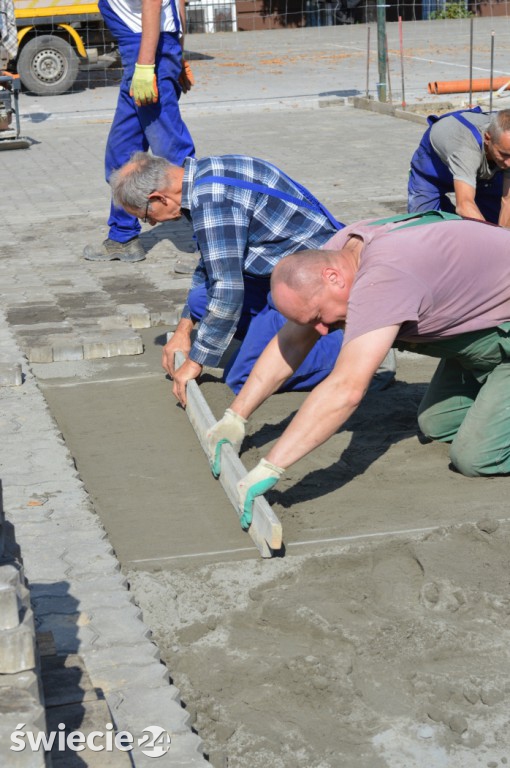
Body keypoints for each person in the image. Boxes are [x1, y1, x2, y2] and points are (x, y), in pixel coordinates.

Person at [206, 211, 510, 530]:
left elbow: (347, 389)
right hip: (484, 332)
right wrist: (235, 417)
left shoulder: (385, 276)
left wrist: (271, 468)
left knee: (475, 457)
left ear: (332, 277)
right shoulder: (342, 250)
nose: (322, 331)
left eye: (319, 316)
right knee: (437, 425)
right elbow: (293, 343)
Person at [110, 151, 396, 401]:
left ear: (157, 197)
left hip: (311, 285)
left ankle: (359, 351)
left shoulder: (212, 200)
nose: (151, 223)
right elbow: (213, 263)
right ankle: (272, 336)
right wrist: (184, 330)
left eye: (146, 217)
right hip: (284, 271)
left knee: (243, 376)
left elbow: (227, 287)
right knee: (199, 299)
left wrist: (197, 360)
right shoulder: (209, 172)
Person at [83, 0, 195, 263]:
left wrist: (147, 66)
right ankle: (123, 236)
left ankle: (208, 242)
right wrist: (178, 55)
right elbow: (178, 4)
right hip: (148, 52)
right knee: (122, 151)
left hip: (147, 53)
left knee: (172, 151)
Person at [408, 107, 510, 225]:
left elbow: (508, 200)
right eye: (504, 154)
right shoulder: (465, 150)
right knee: (425, 227)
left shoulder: (504, 142)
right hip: (434, 170)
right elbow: (464, 205)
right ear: (487, 138)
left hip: (482, 171)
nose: (509, 163)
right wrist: (490, 236)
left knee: (493, 221)